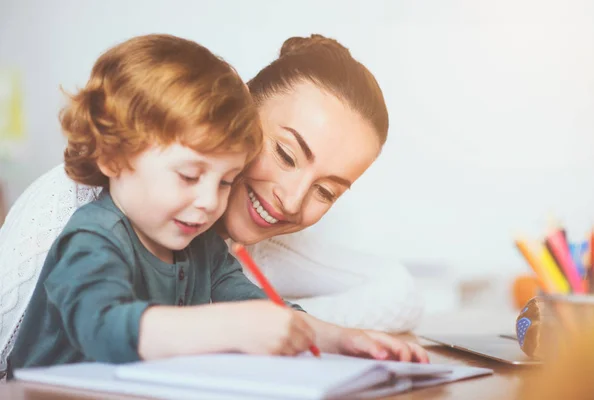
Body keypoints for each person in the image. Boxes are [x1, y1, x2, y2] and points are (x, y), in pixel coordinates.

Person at [0, 33, 424, 376]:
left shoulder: (202, 245)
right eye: (189, 176)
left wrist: (338, 338)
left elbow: (254, 305)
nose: (207, 202)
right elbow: (104, 327)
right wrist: (226, 328)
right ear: (112, 158)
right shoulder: (90, 235)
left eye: (224, 181)